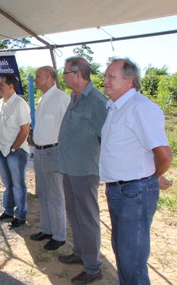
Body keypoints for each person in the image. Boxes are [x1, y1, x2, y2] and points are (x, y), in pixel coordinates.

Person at [100, 58, 173, 285]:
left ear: (129, 80)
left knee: (132, 259)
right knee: (122, 252)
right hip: (119, 190)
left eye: (111, 77)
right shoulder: (114, 106)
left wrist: (153, 178)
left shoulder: (140, 108)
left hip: (135, 192)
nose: (105, 81)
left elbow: (165, 155)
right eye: (106, 76)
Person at [57, 57, 108, 284]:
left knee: (87, 218)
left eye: (66, 72)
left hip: (85, 171)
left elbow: (107, 137)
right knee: (74, 215)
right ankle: (80, 253)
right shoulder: (74, 97)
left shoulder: (97, 101)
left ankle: (93, 266)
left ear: (77, 74)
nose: (64, 76)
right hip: (69, 168)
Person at [30, 66, 70, 250]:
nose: (36, 79)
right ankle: (47, 229)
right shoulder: (44, 98)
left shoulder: (61, 98)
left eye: (38, 76)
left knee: (56, 195)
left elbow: (69, 128)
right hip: (39, 152)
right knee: (43, 193)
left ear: (48, 77)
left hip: (54, 153)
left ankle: (60, 235)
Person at [0, 74, 31, 228]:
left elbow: (25, 129)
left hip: (16, 151)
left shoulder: (20, 103)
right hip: (1, 150)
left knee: (18, 184)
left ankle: (20, 215)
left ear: (11, 86)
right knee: (8, 183)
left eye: (1, 84)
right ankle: (8, 211)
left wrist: (14, 148)